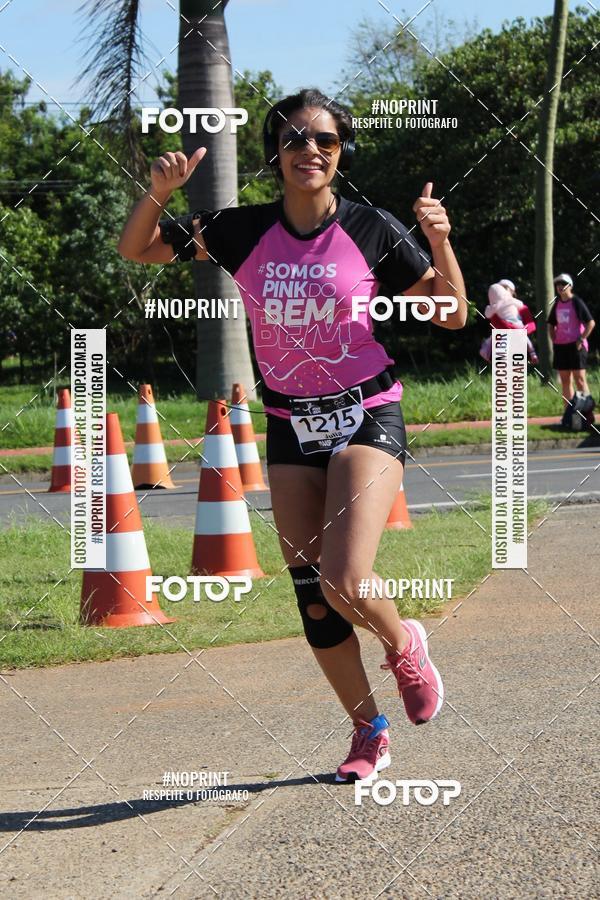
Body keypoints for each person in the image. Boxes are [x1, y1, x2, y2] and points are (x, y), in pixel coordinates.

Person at [118, 88, 467, 783]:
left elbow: (452, 315)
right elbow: (138, 249)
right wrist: (158, 193)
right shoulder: (242, 230)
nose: (312, 150)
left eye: (327, 141)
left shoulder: (371, 228)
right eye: (296, 140)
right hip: (289, 424)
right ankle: (368, 731)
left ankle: (404, 643)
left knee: (344, 577)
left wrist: (439, 241)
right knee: (313, 595)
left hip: (368, 413)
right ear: (275, 155)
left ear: (340, 154)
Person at [547, 274, 595, 409]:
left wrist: (581, 339)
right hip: (561, 347)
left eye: (563, 284)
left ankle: (586, 412)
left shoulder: (576, 302)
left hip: (576, 346)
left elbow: (591, 323)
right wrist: (553, 338)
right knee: (565, 381)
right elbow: (551, 323)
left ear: (570, 286)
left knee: (579, 379)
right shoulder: (556, 303)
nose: (560, 287)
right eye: (558, 284)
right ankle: (570, 414)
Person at [480, 279, 538, 364]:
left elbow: (531, 325)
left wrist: (519, 330)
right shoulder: (495, 308)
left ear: (511, 291)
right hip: (502, 342)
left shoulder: (521, 306)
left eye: (505, 288)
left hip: (517, 341)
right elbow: (494, 322)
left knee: (516, 371)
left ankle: (532, 353)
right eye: (501, 288)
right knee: (502, 371)